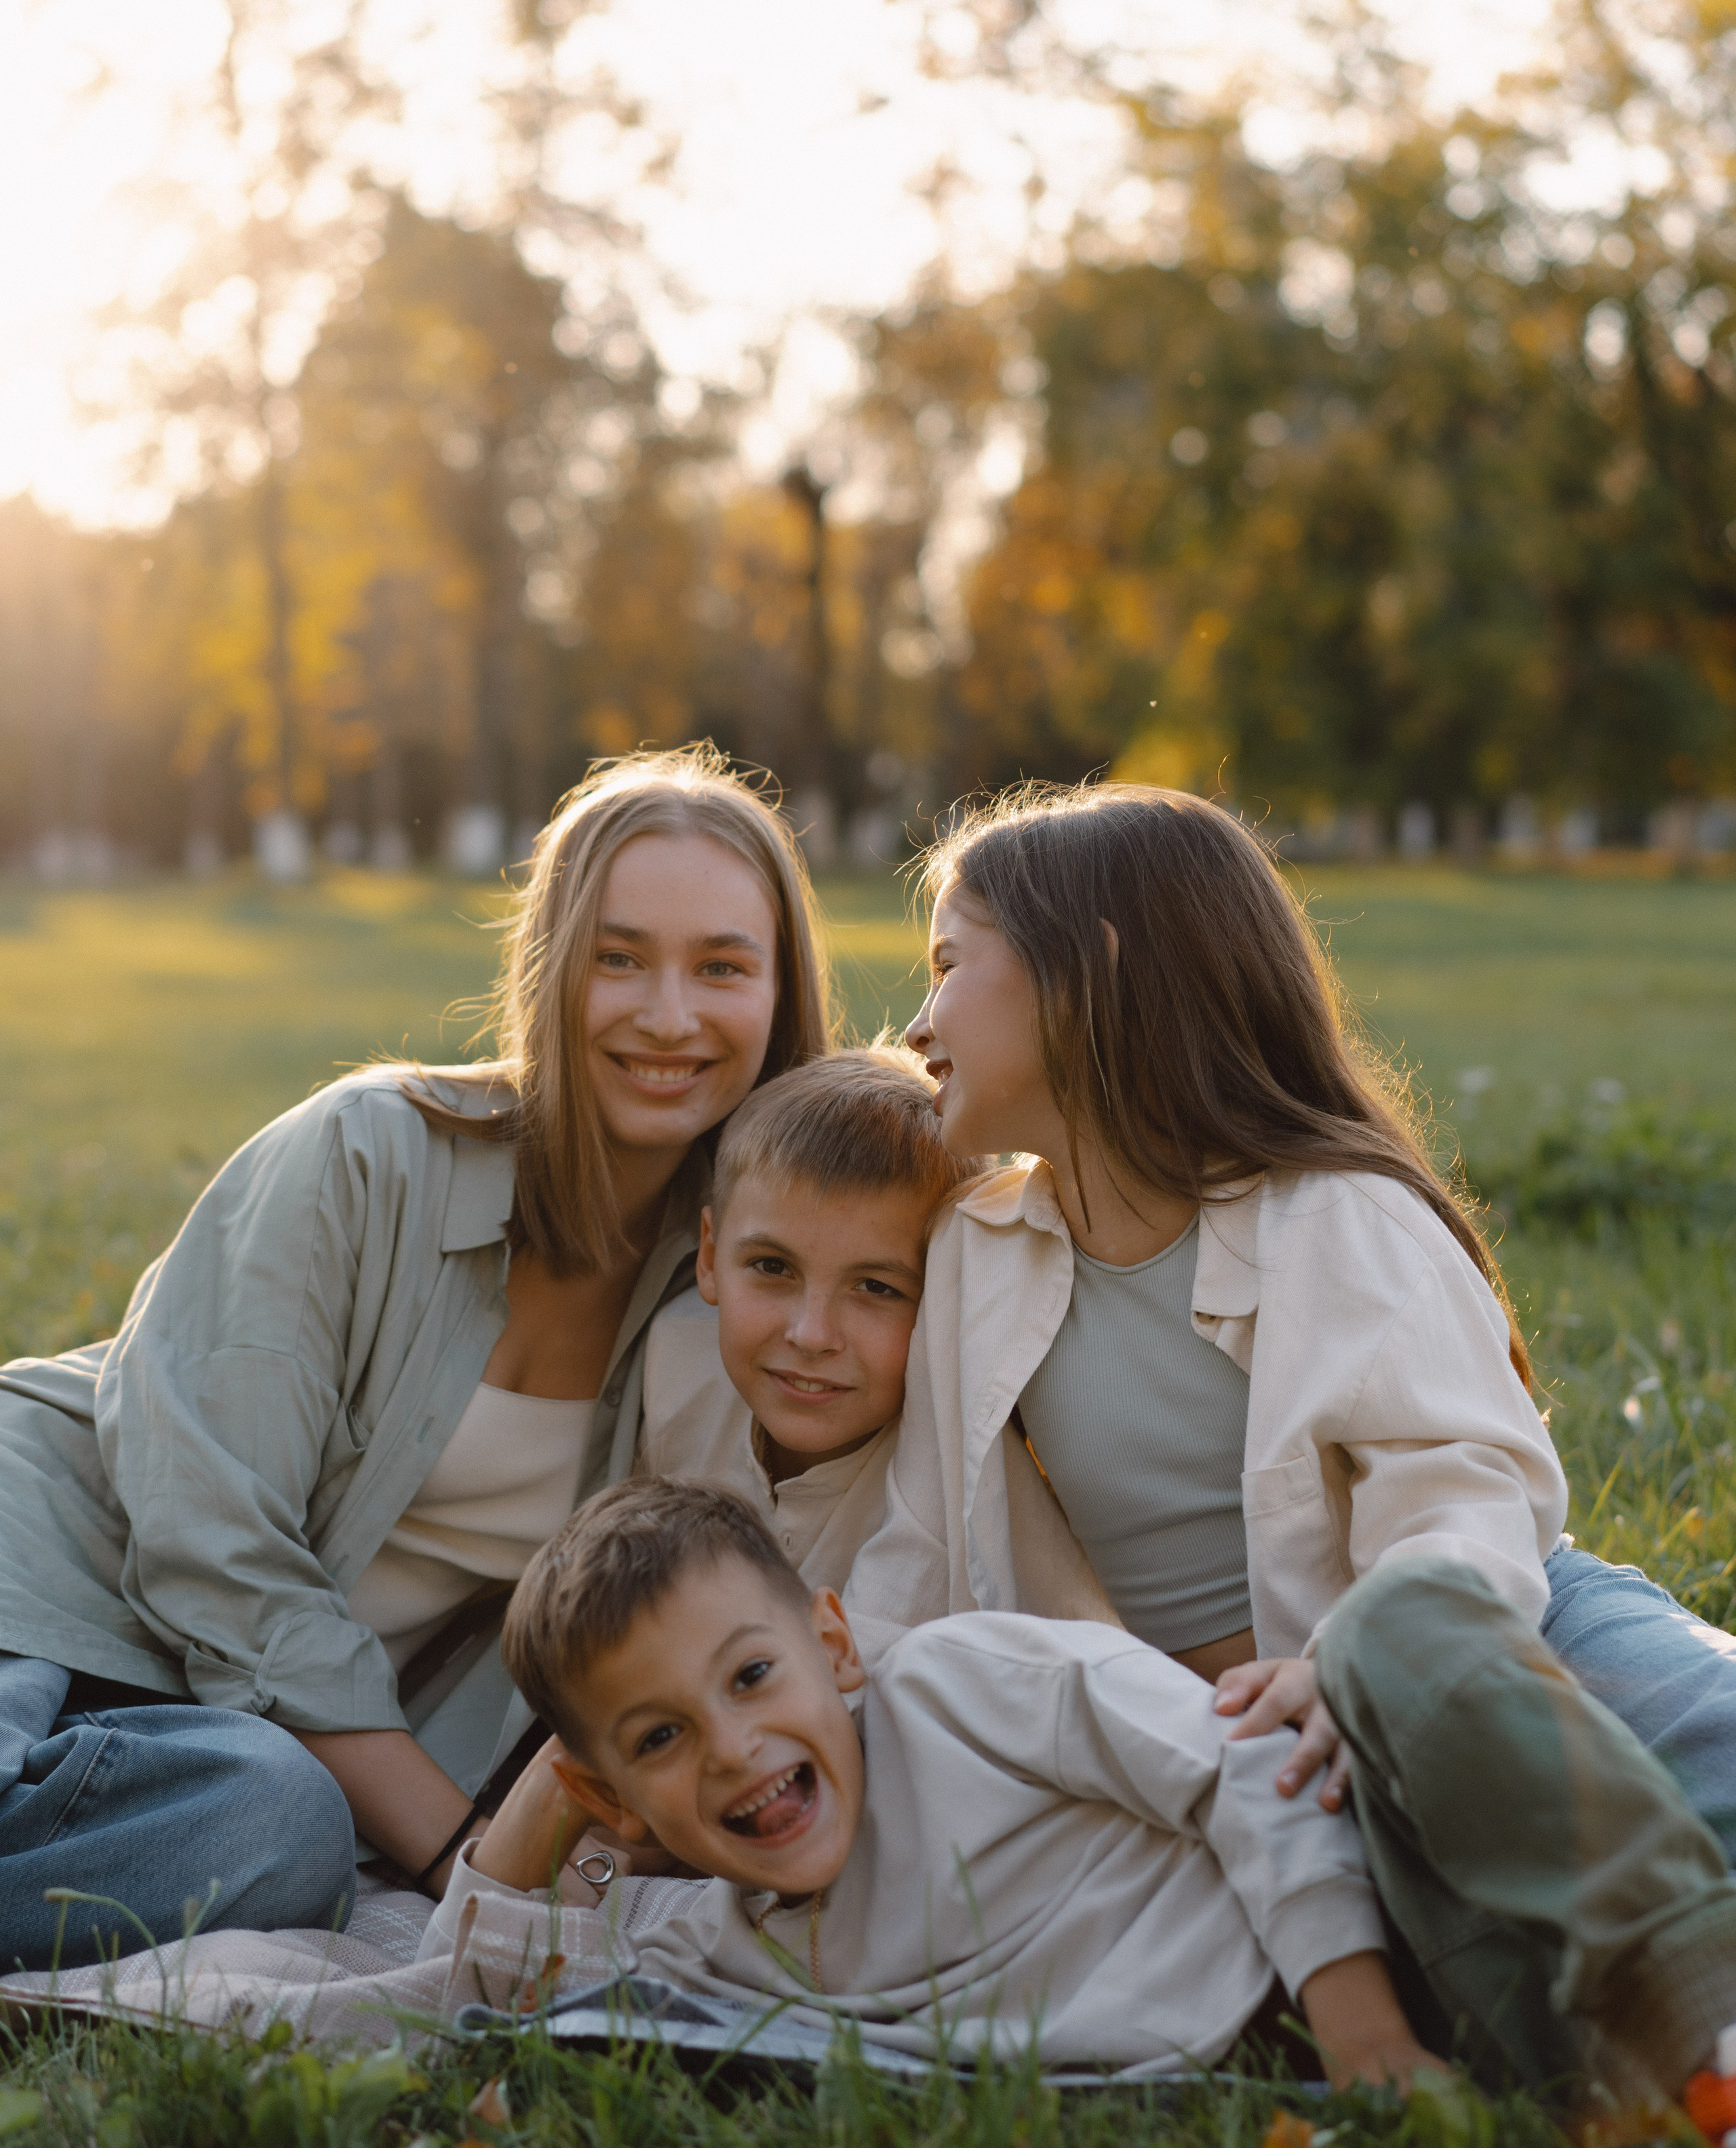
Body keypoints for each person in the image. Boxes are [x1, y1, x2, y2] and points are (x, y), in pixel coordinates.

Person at [0, 747, 833, 1969]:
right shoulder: (366, 1152)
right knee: (294, 1814)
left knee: (278, 1828)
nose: (668, 1013)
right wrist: (454, 1850)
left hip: (216, 1747)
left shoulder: (742, 1287)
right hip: (42, 1590)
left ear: (777, 992)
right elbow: (206, 1539)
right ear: (553, 972)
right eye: (618, 957)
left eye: (720, 966)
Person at [839, 779, 1736, 1867]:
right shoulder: (978, 1250)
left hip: (1478, 1638)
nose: (919, 1020)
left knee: (1706, 1755)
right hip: (1233, 1734)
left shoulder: (1333, 1214)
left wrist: (1363, 1668)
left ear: (1094, 972)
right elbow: (927, 1539)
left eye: (945, 964)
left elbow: (1458, 1497)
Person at [473, 1477, 1736, 2101]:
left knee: (1396, 1619)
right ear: (611, 1789)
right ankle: (1671, 2071)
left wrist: (1364, 2030)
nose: (735, 1748)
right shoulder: (717, 1948)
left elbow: (1241, 1757)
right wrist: (574, 1810)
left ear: (838, 1645)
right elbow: (469, 1975)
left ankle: (1708, 2034)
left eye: (753, 1675)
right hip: (1510, 2033)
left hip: (1414, 1894)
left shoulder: (961, 1681)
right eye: (661, 1737)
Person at [641, 1045, 1109, 1611]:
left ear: (945, 1298)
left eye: (877, 1288)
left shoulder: (976, 1480)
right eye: (772, 1267)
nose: (811, 1335)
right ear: (710, 1258)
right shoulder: (676, 1361)